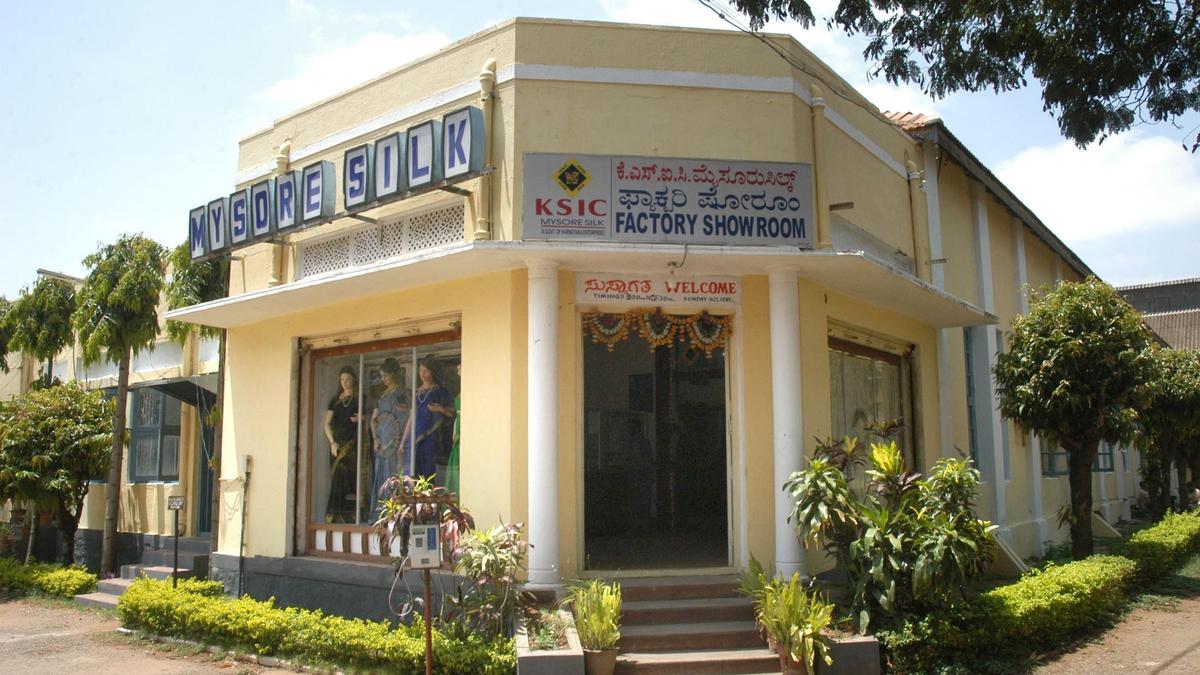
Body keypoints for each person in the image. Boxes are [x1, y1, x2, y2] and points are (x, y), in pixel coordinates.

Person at [401, 357, 455, 480]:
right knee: (414, 472)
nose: (423, 374)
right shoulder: (416, 393)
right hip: (416, 439)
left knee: (429, 472)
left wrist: (440, 409)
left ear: (433, 372)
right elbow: (412, 417)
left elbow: (452, 414)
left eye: (426, 371)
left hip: (433, 438)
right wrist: (403, 442)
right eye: (421, 371)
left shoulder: (441, 392)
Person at [370, 357, 409, 517]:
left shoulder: (402, 394)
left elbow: (408, 416)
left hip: (396, 438)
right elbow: (373, 419)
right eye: (382, 376)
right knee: (381, 473)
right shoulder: (382, 396)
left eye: (386, 375)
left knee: (394, 473)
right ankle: (381, 512)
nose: (384, 379)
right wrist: (375, 438)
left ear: (394, 374)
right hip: (382, 439)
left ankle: (394, 512)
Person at [324, 365, 360, 523]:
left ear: (354, 380)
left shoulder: (359, 399)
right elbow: (326, 423)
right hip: (338, 444)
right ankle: (334, 510)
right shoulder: (335, 401)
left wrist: (361, 419)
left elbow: (371, 418)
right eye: (342, 380)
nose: (345, 383)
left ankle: (348, 511)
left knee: (350, 477)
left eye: (348, 379)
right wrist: (332, 442)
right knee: (338, 475)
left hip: (353, 443)